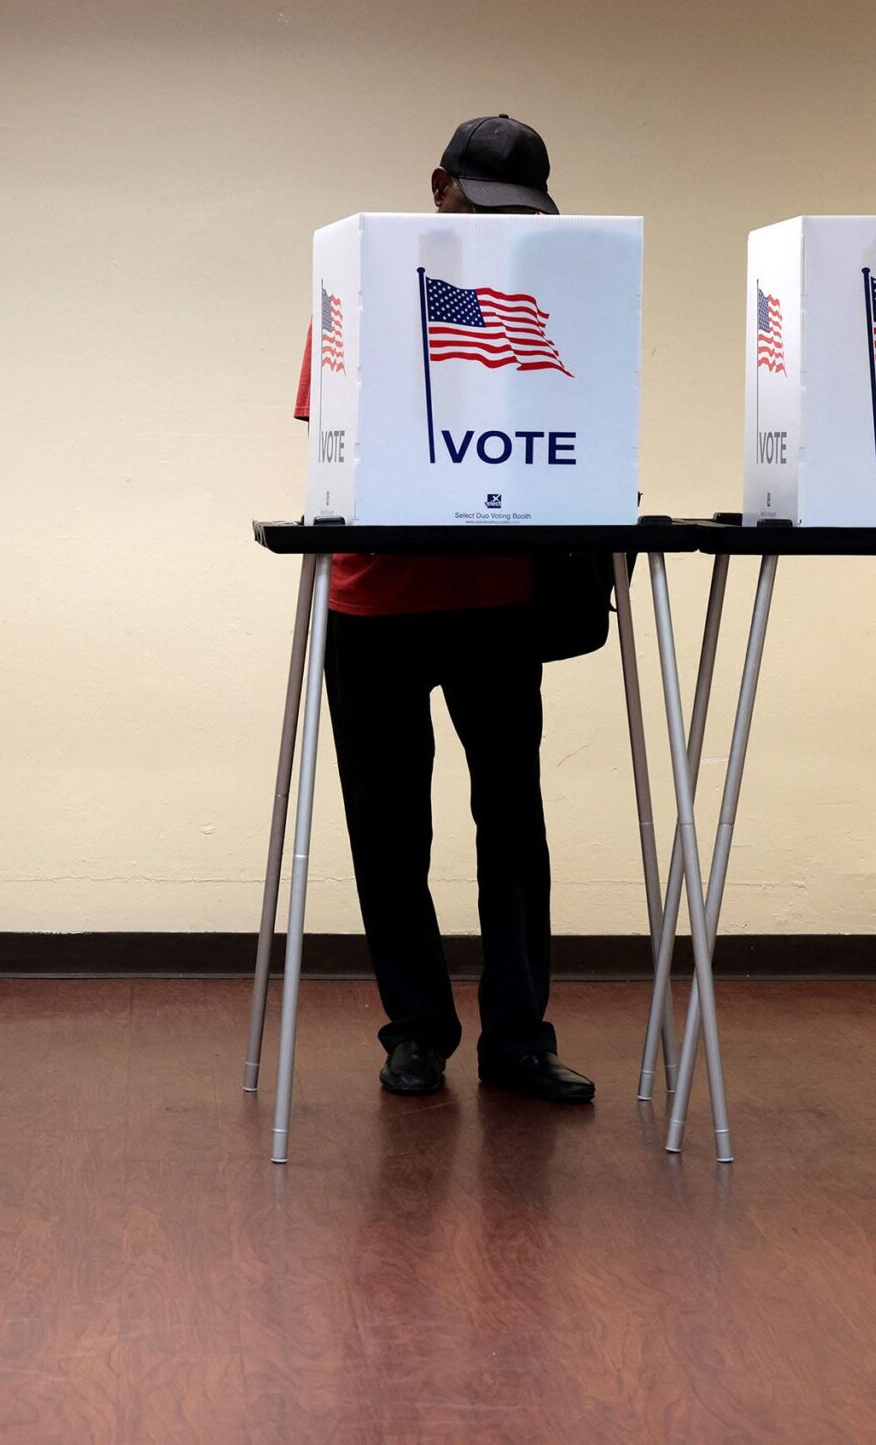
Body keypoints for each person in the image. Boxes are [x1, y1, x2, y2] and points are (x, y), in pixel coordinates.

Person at [292, 113, 596, 1106]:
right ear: (437, 186)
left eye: (520, 213)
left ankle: (518, 1036)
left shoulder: (545, 291)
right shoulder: (362, 286)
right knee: (390, 830)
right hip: (375, 593)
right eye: (480, 202)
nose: (496, 226)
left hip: (499, 595)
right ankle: (416, 1029)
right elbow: (329, 438)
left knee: (512, 826)